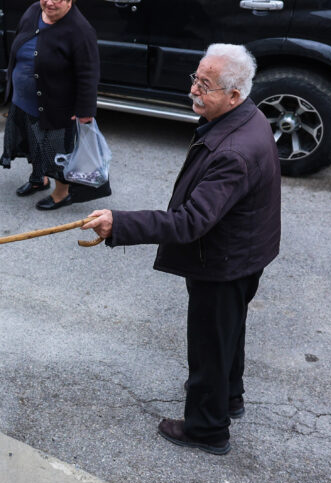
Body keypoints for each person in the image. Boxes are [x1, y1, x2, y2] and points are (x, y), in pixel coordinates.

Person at [82, 43, 281, 455]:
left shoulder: (234, 151)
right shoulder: (248, 116)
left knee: (210, 343)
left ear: (234, 94)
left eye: (205, 85)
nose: (193, 90)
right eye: (196, 78)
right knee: (228, 331)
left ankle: (207, 428)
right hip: (243, 253)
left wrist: (120, 223)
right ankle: (230, 397)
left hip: (224, 261)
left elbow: (190, 222)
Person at [0, 0, 109, 210]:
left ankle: (61, 193)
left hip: (57, 104)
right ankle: (39, 179)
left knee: (57, 150)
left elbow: (88, 74)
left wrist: (85, 112)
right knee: (32, 142)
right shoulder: (33, 11)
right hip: (24, 100)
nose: (48, 2)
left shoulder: (80, 31)